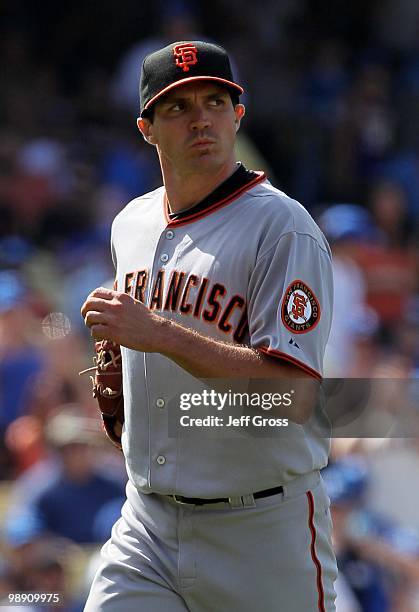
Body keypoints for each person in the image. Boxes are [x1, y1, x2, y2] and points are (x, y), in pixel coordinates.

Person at [81, 40, 337, 611]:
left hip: (261, 528)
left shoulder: (283, 228)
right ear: (146, 128)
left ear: (238, 114)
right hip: (147, 521)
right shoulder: (131, 223)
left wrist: (159, 336)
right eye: (178, 107)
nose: (201, 119)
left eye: (215, 102)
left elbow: (293, 394)